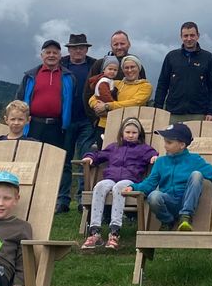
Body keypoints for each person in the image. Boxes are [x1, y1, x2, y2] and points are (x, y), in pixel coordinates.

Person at [123, 123, 212, 231]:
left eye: (169, 142)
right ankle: (168, 221)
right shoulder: (161, 162)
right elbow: (149, 183)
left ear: (182, 145)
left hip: (187, 200)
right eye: (165, 141)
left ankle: (185, 217)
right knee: (153, 196)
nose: (165, 145)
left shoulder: (194, 160)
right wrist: (133, 187)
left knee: (197, 175)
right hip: (168, 202)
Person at [80, 117, 158, 250]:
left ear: (139, 134)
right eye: (127, 132)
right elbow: (99, 155)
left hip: (130, 180)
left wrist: (154, 157)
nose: (131, 135)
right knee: (99, 186)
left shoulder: (143, 149)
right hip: (110, 178)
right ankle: (95, 231)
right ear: (122, 133)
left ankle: (115, 231)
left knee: (119, 187)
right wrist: (90, 157)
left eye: (134, 132)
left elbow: (153, 154)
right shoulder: (113, 147)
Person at [17, 39, 77, 212]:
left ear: (60, 56)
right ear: (42, 55)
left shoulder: (68, 76)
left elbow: (71, 101)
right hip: (34, 124)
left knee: (61, 162)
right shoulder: (30, 76)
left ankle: (62, 201)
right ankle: (31, 198)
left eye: (55, 52)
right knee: (32, 161)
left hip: (59, 126)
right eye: (48, 52)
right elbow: (20, 98)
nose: (51, 55)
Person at [155, 21, 212, 123]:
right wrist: (157, 109)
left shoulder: (208, 57)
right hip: (174, 113)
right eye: (186, 36)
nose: (189, 39)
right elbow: (162, 84)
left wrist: (211, 112)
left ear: (198, 36)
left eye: (192, 35)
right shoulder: (171, 57)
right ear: (181, 37)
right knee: (172, 139)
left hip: (199, 113)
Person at [61, 33, 100, 169]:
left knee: (87, 159)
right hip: (66, 120)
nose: (78, 51)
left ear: (86, 49)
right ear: (69, 49)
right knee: (64, 158)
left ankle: (84, 190)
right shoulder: (60, 65)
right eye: (74, 48)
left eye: (81, 47)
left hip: (87, 120)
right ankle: (62, 190)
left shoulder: (95, 65)